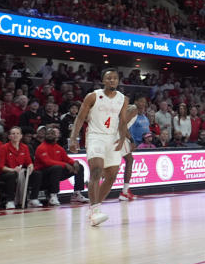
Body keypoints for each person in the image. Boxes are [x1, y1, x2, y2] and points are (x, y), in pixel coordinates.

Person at [68, 68, 130, 226]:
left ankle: (94, 207)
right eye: (109, 78)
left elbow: (122, 121)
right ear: (103, 80)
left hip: (113, 138)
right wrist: (73, 138)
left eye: (115, 78)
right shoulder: (93, 96)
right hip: (95, 136)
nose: (112, 81)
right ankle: (95, 211)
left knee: (112, 175)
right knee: (96, 169)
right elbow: (80, 117)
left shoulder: (123, 99)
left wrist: (123, 138)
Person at [35, 126, 87, 204]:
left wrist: (74, 163)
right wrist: (65, 164)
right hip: (42, 174)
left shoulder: (58, 148)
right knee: (57, 168)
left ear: (56, 136)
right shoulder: (41, 148)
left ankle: (77, 193)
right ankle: (53, 195)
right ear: (45, 136)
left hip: (56, 172)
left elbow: (66, 158)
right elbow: (47, 162)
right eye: (48, 134)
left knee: (79, 167)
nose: (50, 135)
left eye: (52, 134)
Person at [0, 126, 42, 208]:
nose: (15, 135)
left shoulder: (25, 147)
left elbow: (29, 162)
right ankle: (10, 201)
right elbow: (0, 166)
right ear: (9, 136)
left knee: (37, 174)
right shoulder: (4, 148)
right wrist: (12, 170)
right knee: (12, 175)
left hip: (20, 171)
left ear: (21, 136)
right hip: (5, 173)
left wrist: (31, 166)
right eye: (13, 134)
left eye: (18, 133)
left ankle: (33, 198)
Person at [121, 95, 148, 201]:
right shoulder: (133, 109)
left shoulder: (133, 109)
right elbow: (122, 125)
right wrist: (131, 140)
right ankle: (124, 192)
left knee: (128, 160)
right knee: (127, 161)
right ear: (135, 101)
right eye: (141, 101)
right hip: (119, 136)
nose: (143, 104)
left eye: (144, 102)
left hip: (120, 135)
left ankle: (125, 191)